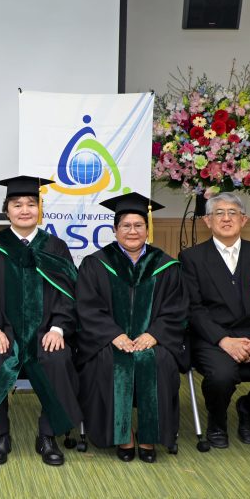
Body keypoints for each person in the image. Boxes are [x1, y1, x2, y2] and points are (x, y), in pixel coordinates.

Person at [0, 176, 82, 466]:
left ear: (40, 209)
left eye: (32, 204)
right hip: (3, 331)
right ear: (7, 211)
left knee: (58, 359)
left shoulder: (55, 247)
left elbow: (69, 293)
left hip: (45, 332)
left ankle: (47, 435)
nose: (25, 210)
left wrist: (58, 328)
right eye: (17, 205)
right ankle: (0, 435)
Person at [75, 193, 186, 463]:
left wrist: (154, 334)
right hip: (110, 341)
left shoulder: (166, 265)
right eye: (126, 225)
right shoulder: (96, 263)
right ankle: (122, 435)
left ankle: (150, 436)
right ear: (114, 230)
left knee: (159, 360)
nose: (133, 231)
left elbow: (177, 309)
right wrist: (114, 334)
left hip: (152, 340)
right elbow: (86, 307)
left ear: (148, 229)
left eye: (138, 225)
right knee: (110, 360)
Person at [178, 192, 250, 448]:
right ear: (207, 221)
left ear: (244, 219)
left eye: (232, 213)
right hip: (214, 337)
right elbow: (193, 308)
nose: (226, 219)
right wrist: (223, 340)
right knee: (221, 376)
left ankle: (249, 411)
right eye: (219, 213)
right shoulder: (191, 259)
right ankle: (217, 422)